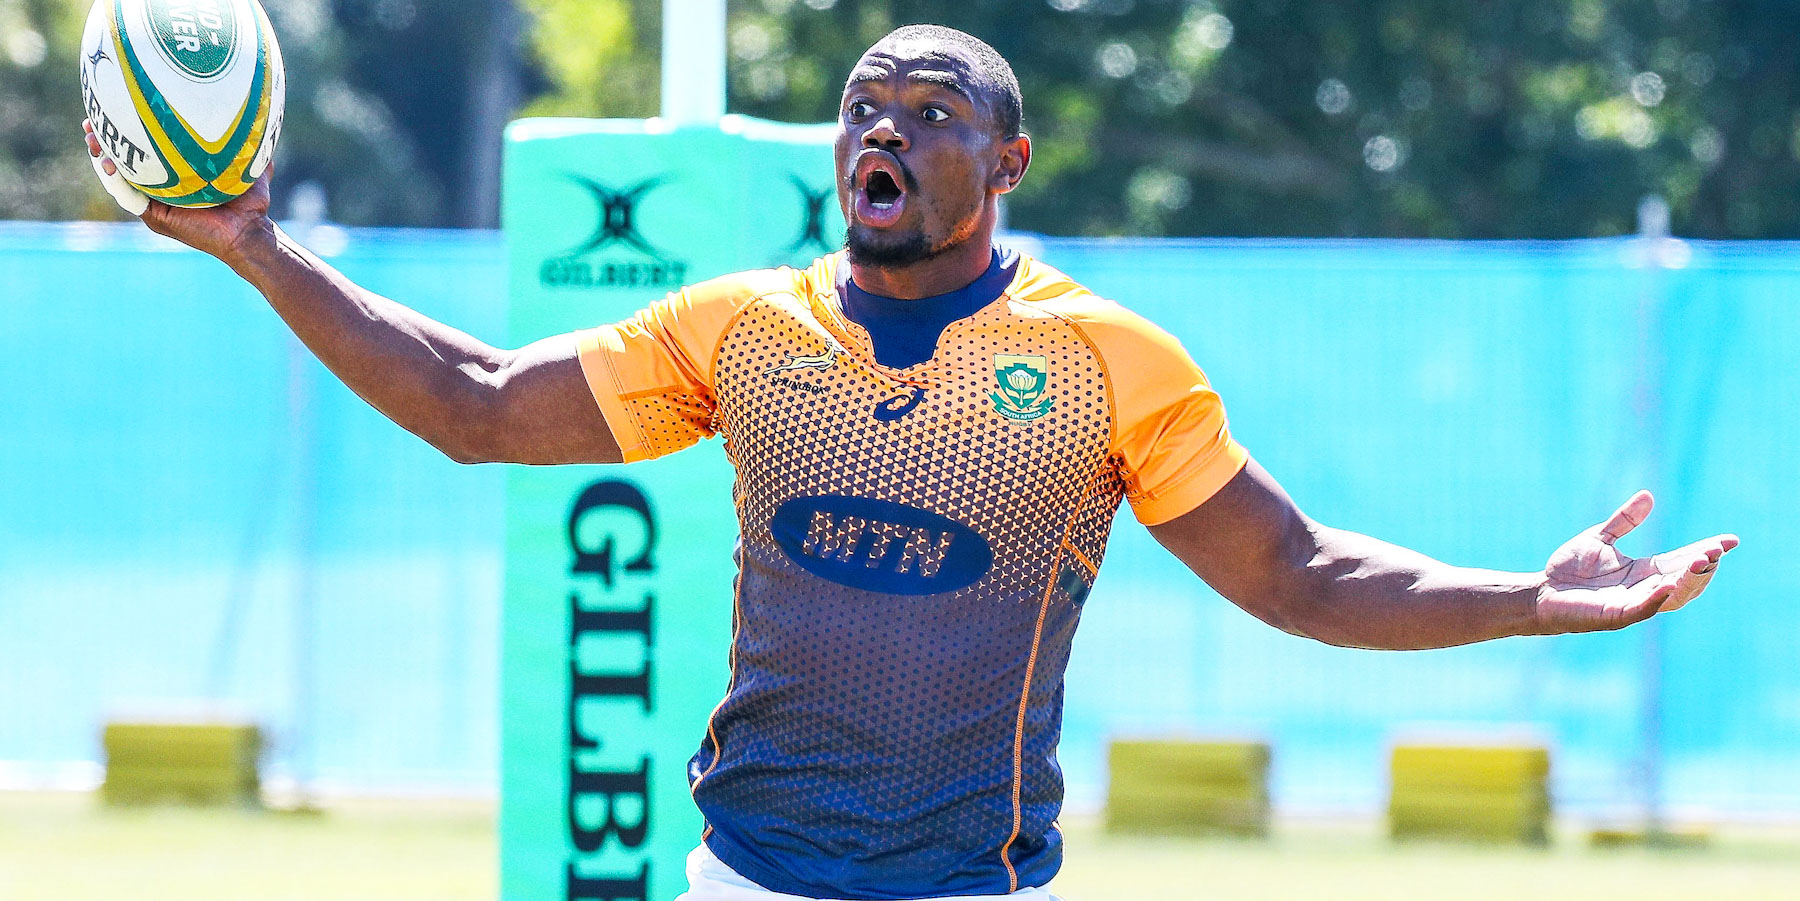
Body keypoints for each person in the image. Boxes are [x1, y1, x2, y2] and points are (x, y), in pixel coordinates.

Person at [85, 24, 1736, 901]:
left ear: (1005, 160)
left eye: (929, 111)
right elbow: (478, 401)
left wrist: (1533, 594)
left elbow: (1300, 572)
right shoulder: (745, 329)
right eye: (864, 107)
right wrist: (253, 248)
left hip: (977, 890)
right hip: (748, 873)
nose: (881, 129)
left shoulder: (1110, 362)